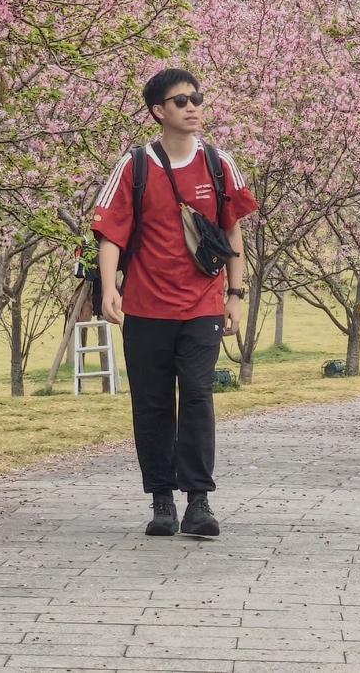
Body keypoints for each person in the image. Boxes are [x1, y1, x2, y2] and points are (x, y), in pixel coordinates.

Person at [92, 67, 258, 539]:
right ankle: (161, 501)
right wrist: (109, 289)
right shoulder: (135, 165)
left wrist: (236, 294)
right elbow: (109, 232)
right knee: (152, 403)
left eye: (196, 98)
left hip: (202, 305)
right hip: (145, 308)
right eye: (181, 101)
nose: (192, 107)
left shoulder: (218, 163)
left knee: (200, 399)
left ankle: (199, 501)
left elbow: (233, 231)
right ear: (158, 111)